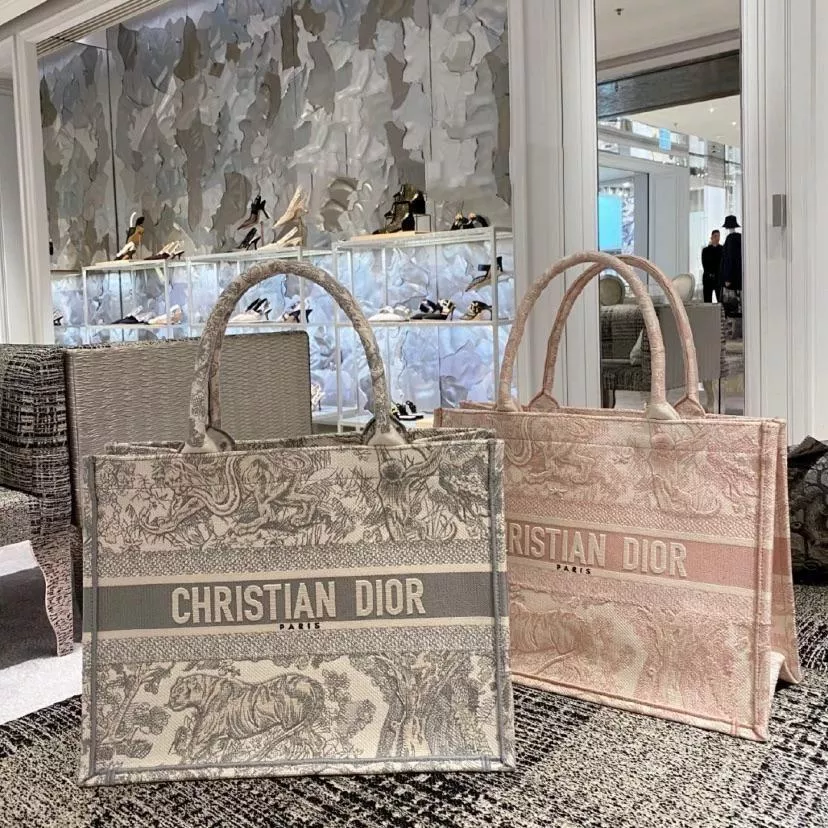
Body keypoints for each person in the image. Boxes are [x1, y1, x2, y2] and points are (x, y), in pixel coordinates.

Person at [720, 215, 742, 292]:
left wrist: (728, 277)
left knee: (731, 298)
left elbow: (729, 258)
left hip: (731, 278)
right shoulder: (740, 237)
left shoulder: (730, 239)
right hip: (739, 274)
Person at [701, 230, 723, 303]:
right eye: (715, 236)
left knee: (720, 301)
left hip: (718, 278)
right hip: (708, 278)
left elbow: (723, 264)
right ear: (711, 237)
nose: (717, 238)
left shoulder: (722, 249)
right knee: (707, 302)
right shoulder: (705, 250)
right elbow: (704, 264)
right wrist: (710, 273)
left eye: (718, 236)